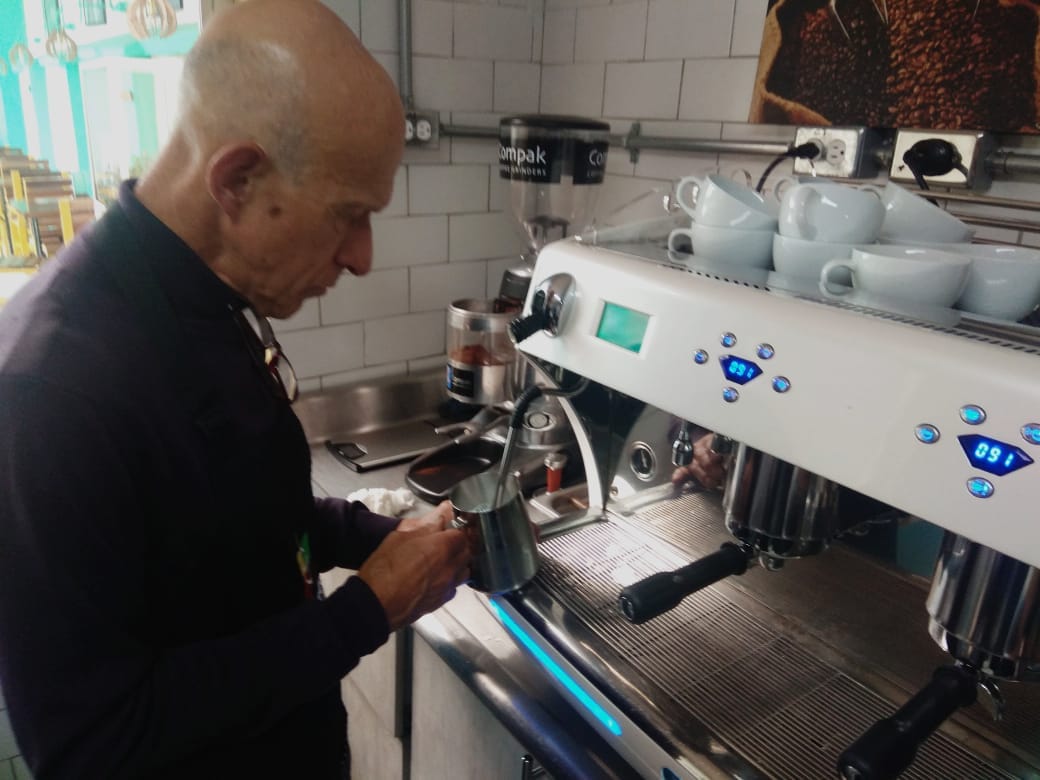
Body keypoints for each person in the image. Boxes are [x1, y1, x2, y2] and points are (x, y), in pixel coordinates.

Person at [0, 2, 471, 778]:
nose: (363, 257)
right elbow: (91, 743)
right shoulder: (47, 391)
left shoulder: (205, 299)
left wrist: (376, 534)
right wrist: (363, 611)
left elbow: (239, 518)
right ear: (237, 180)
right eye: (350, 214)